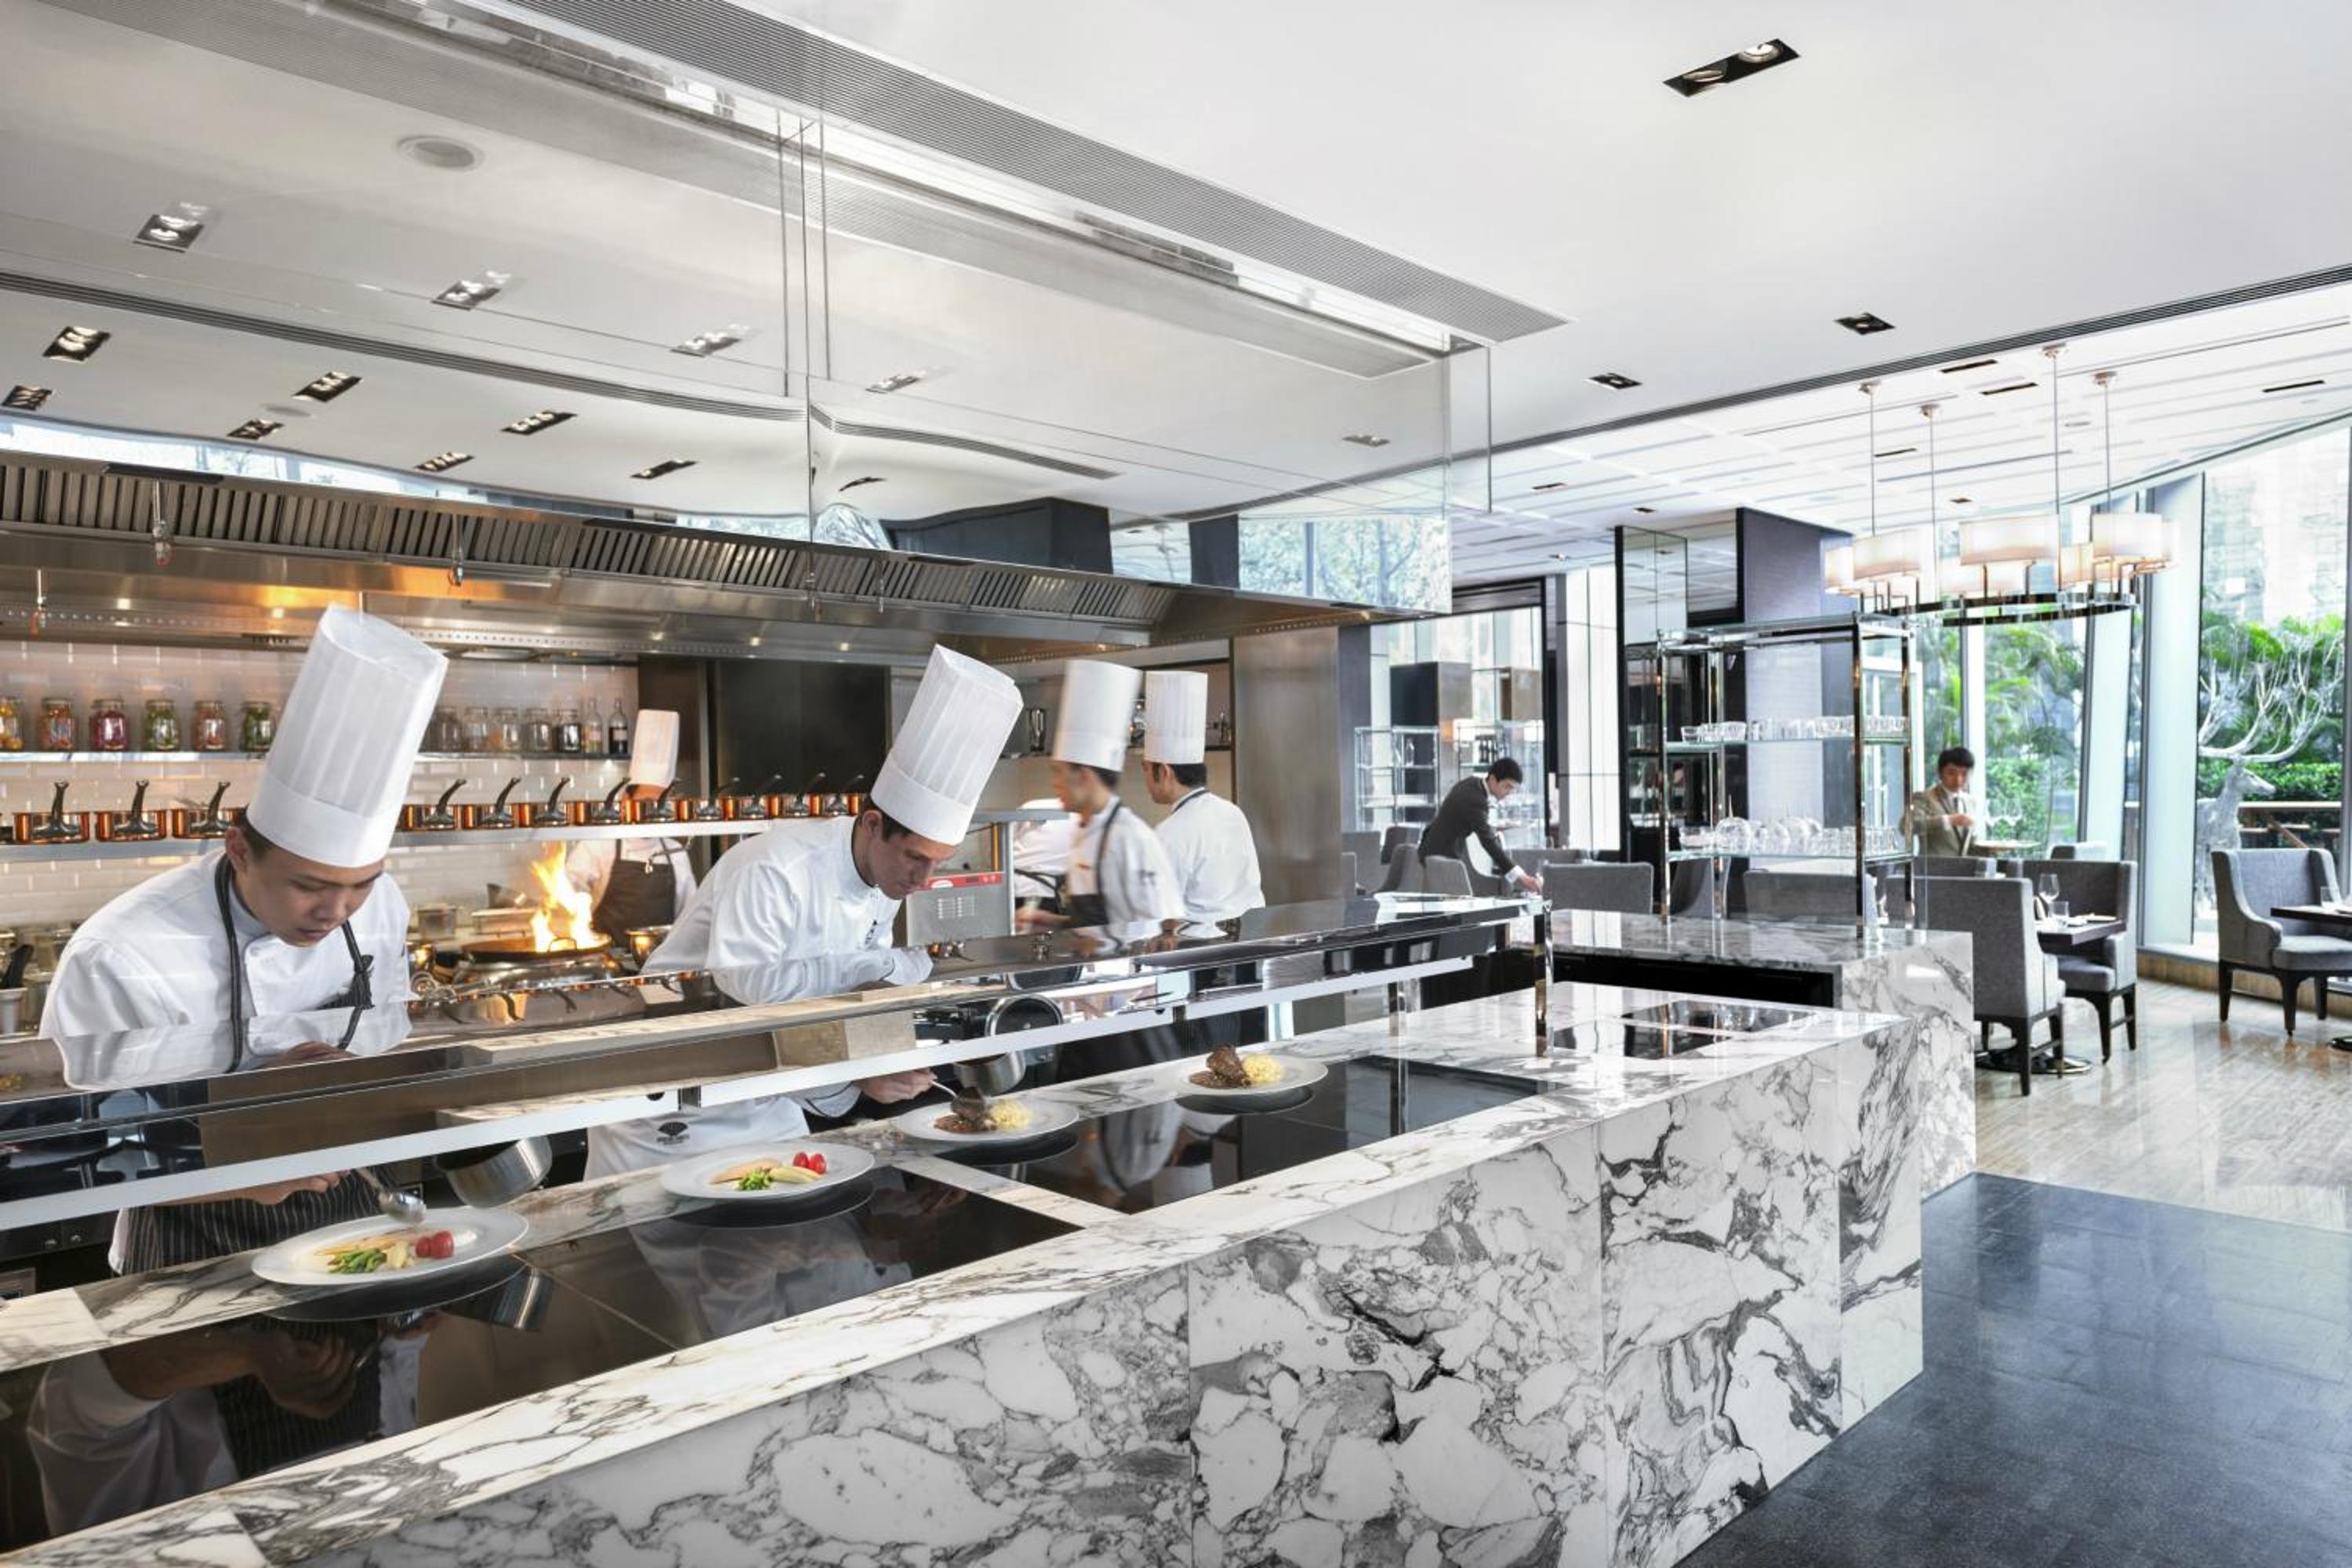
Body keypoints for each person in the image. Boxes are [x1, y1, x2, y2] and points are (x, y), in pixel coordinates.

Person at [42, 604, 446, 1269]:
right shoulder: (120, 954)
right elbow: (89, 1152)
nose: (337, 911)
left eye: (361, 885)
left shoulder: (380, 907)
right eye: (309, 886)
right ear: (238, 850)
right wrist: (246, 1172)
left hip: (355, 1207)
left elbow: (387, 1050)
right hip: (192, 1237)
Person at [611, 645, 1023, 1176]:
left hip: (771, 1096)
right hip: (677, 1094)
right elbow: (751, 990)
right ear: (872, 825)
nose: (924, 881)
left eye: (937, 863)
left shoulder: (883, 878)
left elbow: (854, 998)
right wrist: (864, 1040)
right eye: (915, 858)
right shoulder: (773, 869)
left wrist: (887, 1061)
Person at [1024, 659, 1183, 931]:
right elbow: (1099, 922)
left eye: (1059, 773)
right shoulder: (1084, 831)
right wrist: (1053, 922)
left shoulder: (1132, 839)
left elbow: (1165, 926)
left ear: (1084, 777)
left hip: (1130, 959)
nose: (1055, 783)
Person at [1142, 670, 1262, 923]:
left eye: (1145, 768)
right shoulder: (1232, 811)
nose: (1145, 778)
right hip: (1252, 938)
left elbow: (1157, 914)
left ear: (1165, 772)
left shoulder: (1168, 834)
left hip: (1199, 945)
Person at [563, 708, 697, 935]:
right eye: (646, 803)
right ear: (626, 799)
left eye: (662, 804)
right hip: (608, 955)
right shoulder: (597, 847)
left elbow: (691, 918)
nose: (654, 813)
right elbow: (563, 900)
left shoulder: (676, 853)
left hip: (662, 955)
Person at [1418, 758, 1541, 893]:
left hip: (1432, 854)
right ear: (1493, 779)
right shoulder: (1476, 800)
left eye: (1513, 789)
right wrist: (1522, 877)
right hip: (1443, 859)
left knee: (1434, 903)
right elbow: (1489, 842)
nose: (1509, 793)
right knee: (1446, 903)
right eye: (1507, 787)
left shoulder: (1471, 783)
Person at [1905, 746, 1978, 855]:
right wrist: (1949, 820)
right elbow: (1906, 827)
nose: (1958, 780)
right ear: (1940, 773)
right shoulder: (1924, 797)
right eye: (1951, 773)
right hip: (1933, 866)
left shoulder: (1971, 802)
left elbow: (1968, 846)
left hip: (1964, 866)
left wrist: (1991, 851)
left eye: (1964, 774)